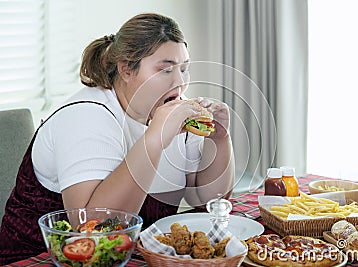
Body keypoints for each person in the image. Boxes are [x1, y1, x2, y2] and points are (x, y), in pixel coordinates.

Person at [0, 13, 234, 264]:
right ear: (126, 69)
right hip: (40, 260)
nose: (180, 82)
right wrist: (155, 139)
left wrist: (220, 139)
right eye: (165, 69)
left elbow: (208, 200)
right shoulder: (86, 116)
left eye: (184, 69)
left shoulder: (171, 111)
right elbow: (92, 230)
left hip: (134, 257)